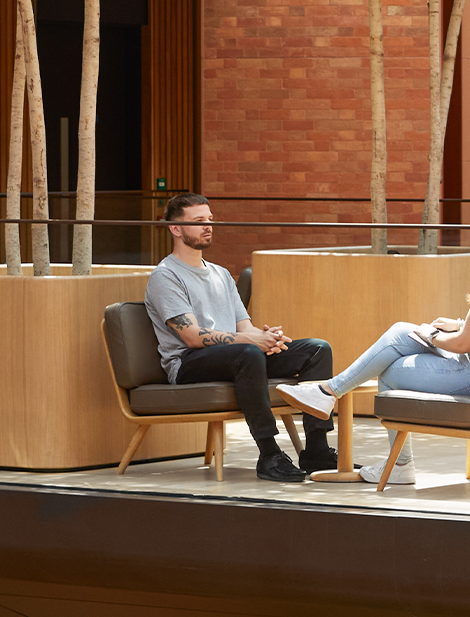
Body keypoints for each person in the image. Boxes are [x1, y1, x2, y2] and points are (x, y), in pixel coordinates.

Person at [278, 204, 470, 486]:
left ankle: (396, 460)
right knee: (402, 332)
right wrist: (457, 326)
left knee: (391, 369)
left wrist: (432, 337)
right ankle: (329, 391)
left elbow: (464, 344)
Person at [144, 192, 336, 484]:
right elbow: (192, 337)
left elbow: (244, 328)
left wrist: (265, 337)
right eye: (198, 221)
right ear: (175, 228)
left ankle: (317, 451)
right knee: (247, 353)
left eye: (209, 220)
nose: (208, 226)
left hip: (236, 357)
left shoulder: (220, 274)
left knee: (317, 350)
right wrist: (250, 342)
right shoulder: (166, 276)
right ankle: (269, 454)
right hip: (187, 364)